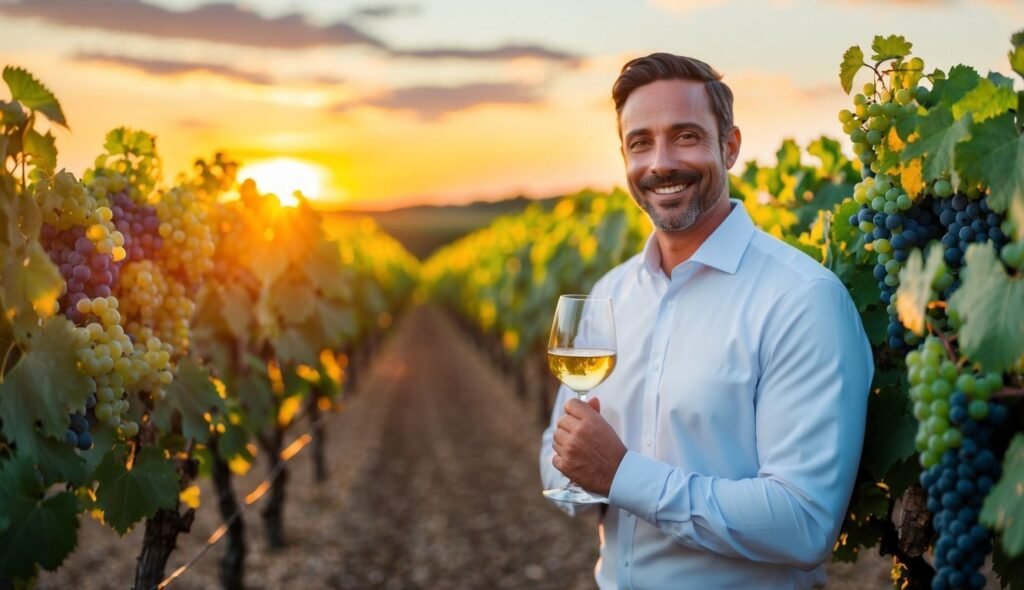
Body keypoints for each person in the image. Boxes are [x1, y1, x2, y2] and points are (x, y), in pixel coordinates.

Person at [539, 53, 874, 589]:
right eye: (640, 142)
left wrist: (621, 474)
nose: (661, 162)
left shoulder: (803, 300)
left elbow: (804, 522)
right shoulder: (609, 295)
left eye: (686, 136)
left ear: (731, 146)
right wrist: (579, 468)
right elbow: (556, 460)